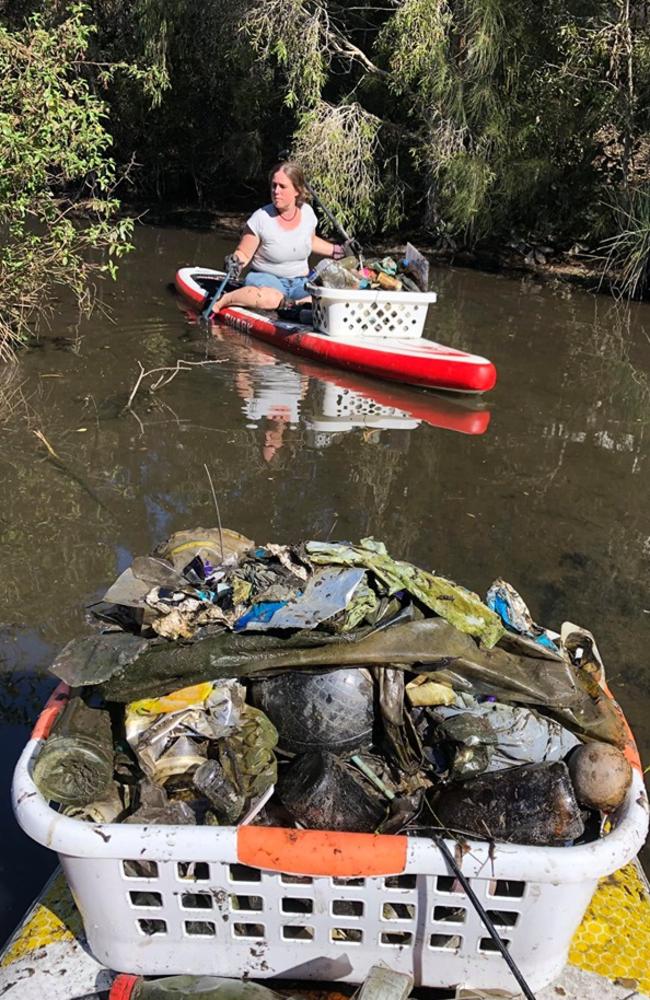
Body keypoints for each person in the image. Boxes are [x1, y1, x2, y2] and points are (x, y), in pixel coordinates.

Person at [210, 161, 349, 313]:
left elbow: (310, 241)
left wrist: (340, 250)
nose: (276, 191)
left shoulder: (308, 213)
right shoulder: (260, 219)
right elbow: (243, 253)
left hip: (300, 282)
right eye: (274, 185)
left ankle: (293, 305)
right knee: (271, 299)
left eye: (282, 186)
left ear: (297, 190)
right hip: (266, 280)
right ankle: (225, 299)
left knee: (326, 298)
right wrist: (235, 261)